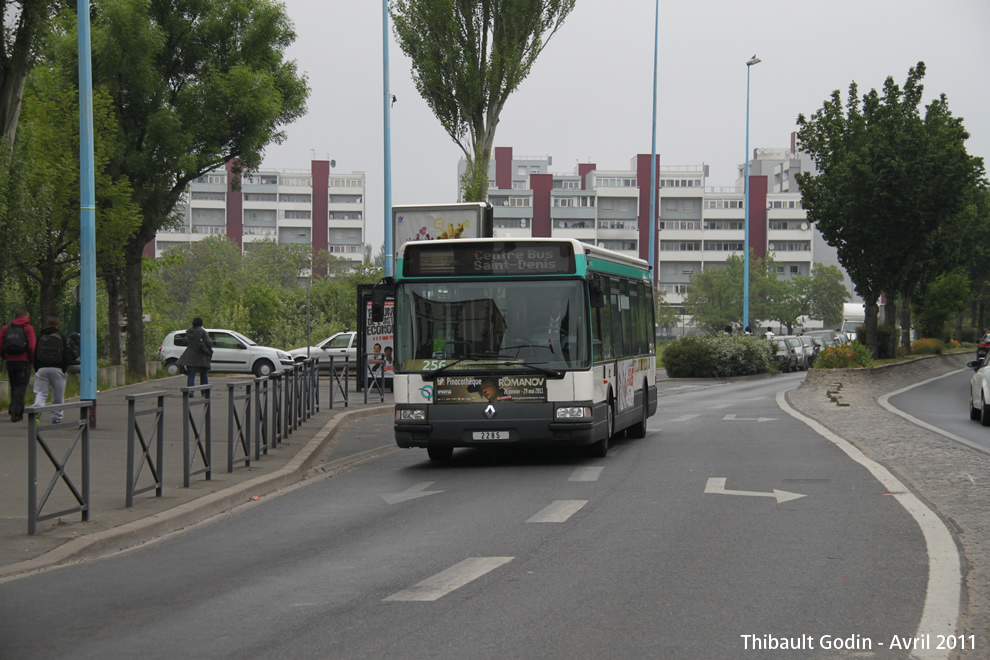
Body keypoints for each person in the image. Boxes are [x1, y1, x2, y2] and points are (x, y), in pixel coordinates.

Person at [32, 314, 72, 424]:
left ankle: (37, 410)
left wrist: (37, 368)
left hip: (42, 369)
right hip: (57, 369)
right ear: (58, 323)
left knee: (41, 393)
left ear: (47, 322)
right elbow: (66, 355)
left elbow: (35, 354)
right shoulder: (61, 336)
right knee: (58, 395)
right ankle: (56, 417)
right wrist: (64, 369)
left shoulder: (41, 336)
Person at [1, 308, 37, 422]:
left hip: (10, 360)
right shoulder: (28, 328)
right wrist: (31, 360)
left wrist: (5, 356)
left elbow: (0, 345)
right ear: (26, 316)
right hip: (23, 360)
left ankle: (12, 407)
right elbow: (32, 346)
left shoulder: (6, 328)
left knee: (14, 385)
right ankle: (17, 412)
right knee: (21, 386)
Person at [177, 317, 212, 391]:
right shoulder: (202, 332)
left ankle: (190, 391)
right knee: (203, 374)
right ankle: (204, 391)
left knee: (191, 373)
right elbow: (208, 342)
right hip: (201, 356)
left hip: (190, 355)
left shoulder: (188, 332)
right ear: (201, 324)